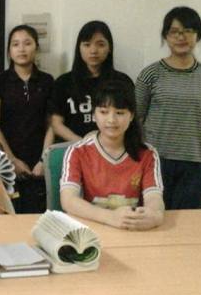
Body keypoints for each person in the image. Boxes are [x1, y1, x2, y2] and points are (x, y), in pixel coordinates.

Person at [136, 7, 201, 210]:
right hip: (155, 159)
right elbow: (137, 117)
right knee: (153, 217)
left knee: (189, 221)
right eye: (174, 31)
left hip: (194, 162)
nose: (181, 37)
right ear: (166, 36)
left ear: (198, 35)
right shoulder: (150, 74)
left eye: (188, 31)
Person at [60, 80, 164, 230]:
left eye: (120, 113)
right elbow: (68, 200)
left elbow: (154, 198)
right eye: (104, 112)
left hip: (132, 229)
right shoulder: (77, 151)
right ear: (94, 114)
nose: (111, 120)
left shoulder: (148, 154)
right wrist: (110, 217)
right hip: (93, 228)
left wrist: (155, 216)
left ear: (131, 115)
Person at [0, 25, 54, 213]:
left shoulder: (47, 81)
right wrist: (11, 159)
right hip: (6, 161)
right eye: (15, 44)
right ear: (9, 51)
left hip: (39, 162)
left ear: (36, 48)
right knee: (9, 216)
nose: (22, 49)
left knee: (38, 214)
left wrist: (44, 159)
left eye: (27, 43)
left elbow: (52, 125)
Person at [50, 20, 133, 142]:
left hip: (112, 147)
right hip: (73, 147)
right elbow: (56, 124)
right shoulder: (63, 82)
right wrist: (84, 145)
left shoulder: (122, 82)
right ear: (79, 48)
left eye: (100, 44)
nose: (93, 50)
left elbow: (130, 119)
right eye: (87, 44)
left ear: (109, 48)